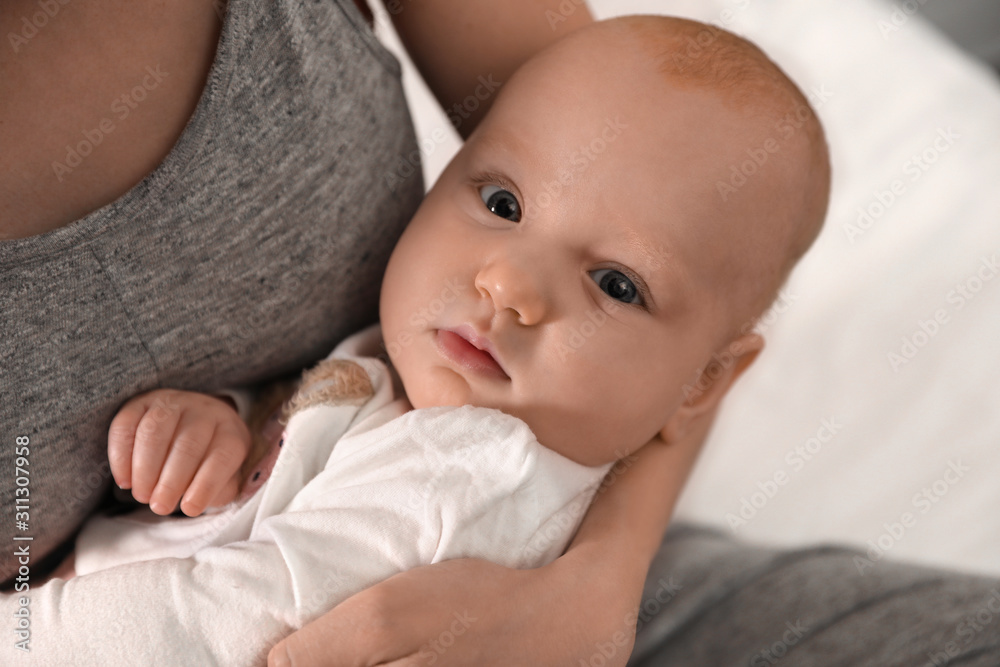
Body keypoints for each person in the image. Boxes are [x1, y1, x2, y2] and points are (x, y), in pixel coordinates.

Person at [1, 12, 833, 663]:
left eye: (617, 283)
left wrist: (601, 584)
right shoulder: (421, 381)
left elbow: (219, 628)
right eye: (503, 205)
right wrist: (230, 425)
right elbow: (317, 435)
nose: (507, 285)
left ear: (699, 384)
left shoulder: (467, 480)